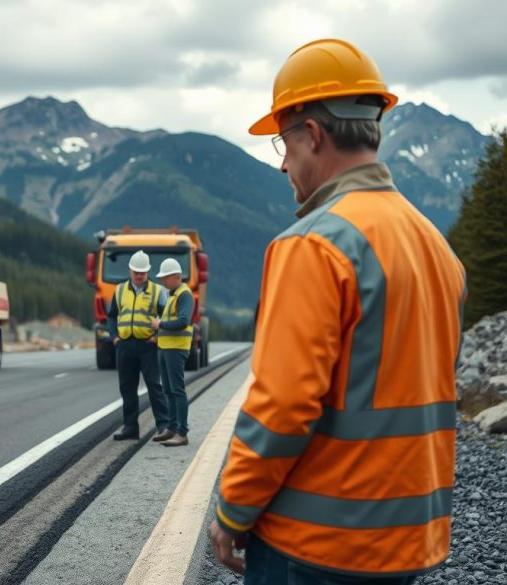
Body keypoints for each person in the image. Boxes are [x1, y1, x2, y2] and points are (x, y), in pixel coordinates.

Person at [209, 39, 467, 584]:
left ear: (314, 135)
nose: (283, 164)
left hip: (317, 546)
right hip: (410, 539)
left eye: (283, 143)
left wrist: (234, 512)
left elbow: (281, 406)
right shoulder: (436, 247)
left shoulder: (314, 244)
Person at [106, 250, 171, 440]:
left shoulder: (158, 291)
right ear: (129, 271)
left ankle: (163, 425)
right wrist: (115, 337)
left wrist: (158, 337)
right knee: (127, 387)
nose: (139, 275)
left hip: (148, 346)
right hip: (124, 345)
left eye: (142, 272)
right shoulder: (119, 291)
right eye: (136, 272)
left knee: (154, 385)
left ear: (148, 271)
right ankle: (130, 427)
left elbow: (167, 317)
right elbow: (111, 316)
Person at [150, 258, 193, 446]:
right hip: (166, 347)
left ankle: (182, 432)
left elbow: (183, 320)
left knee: (177, 389)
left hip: (176, 348)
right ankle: (172, 428)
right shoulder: (172, 294)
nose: (163, 281)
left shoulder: (184, 295)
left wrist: (160, 324)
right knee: (168, 389)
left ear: (177, 276)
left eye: (166, 278)